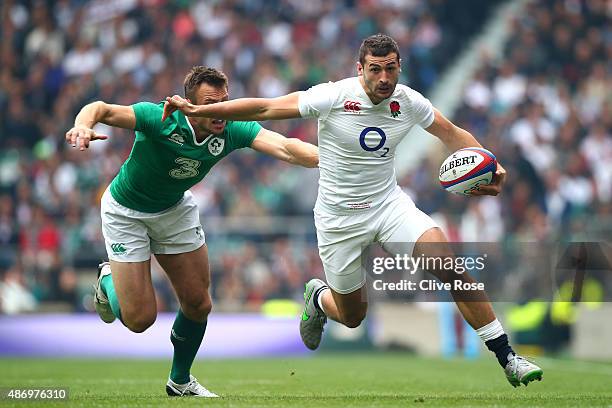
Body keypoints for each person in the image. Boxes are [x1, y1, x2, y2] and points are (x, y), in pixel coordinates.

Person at [162, 34, 543, 387]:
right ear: (360, 68)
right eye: (375, 69)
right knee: (353, 315)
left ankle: (507, 358)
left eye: (390, 68)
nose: (383, 77)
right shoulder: (332, 96)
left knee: (448, 264)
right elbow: (265, 106)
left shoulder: (408, 102)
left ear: (399, 67)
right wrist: (200, 108)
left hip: (389, 207)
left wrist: (488, 163)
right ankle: (320, 300)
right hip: (338, 221)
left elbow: (450, 133)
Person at [65, 66, 318, 397]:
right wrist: (82, 126)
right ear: (189, 104)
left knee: (199, 303)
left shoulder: (231, 127)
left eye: (223, 102)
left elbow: (284, 147)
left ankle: (180, 381)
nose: (219, 111)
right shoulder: (160, 117)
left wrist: (331, 159)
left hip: (173, 210)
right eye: (210, 103)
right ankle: (107, 280)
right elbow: (102, 108)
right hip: (126, 211)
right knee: (139, 320)